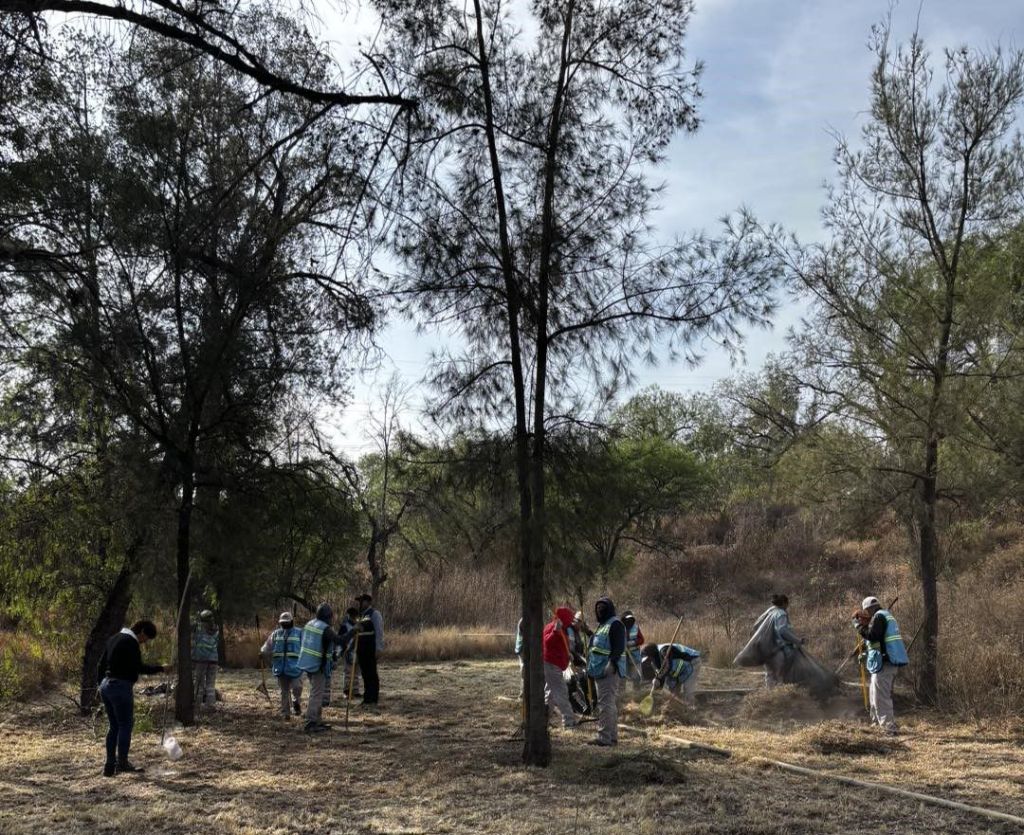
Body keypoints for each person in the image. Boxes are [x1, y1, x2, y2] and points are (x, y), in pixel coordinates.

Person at [96, 619, 171, 777]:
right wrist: (161, 668)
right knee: (125, 725)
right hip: (120, 687)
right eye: (146, 638)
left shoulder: (113, 638)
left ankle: (109, 765)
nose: (144, 642)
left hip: (105, 686)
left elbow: (100, 665)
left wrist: (100, 685)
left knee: (113, 726)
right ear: (142, 631)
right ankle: (122, 763)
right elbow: (139, 668)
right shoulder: (131, 642)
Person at [857, 595, 908, 735]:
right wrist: (866, 655)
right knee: (874, 694)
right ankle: (876, 724)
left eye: (865, 611)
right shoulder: (884, 616)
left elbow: (872, 636)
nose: (865, 614)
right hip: (883, 663)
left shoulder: (879, 617)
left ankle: (888, 728)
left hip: (886, 663)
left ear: (868, 609)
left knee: (882, 696)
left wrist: (859, 627)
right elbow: (879, 643)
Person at [586, 597, 625, 747]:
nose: (599, 611)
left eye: (602, 608)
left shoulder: (615, 624)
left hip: (609, 670)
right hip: (598, 670)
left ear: (609, 609)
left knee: (605, 705)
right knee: (609, 704)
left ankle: (604, 738)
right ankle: (612, 737)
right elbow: (598, 644)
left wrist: (611, 663)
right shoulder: (603, 625)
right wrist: (587, 631)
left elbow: (619, 646)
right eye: (597, 608)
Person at [297, 603, 338, 733]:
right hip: (317, 666)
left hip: (307, 664)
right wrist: (354, 631)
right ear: (327, 617)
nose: (332, 619)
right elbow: (340, 640)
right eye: (330, 617)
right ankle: (311, 722)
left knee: (317, 693)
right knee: (316, 693)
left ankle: (317, 720)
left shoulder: (309, 624)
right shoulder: (325, 629)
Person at [261, 612, 303, 719]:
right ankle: (286, 713)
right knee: (284, 692)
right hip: (280, 668)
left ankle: (296, 701)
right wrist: (262, 652)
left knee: (297, 688)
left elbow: (305, 647)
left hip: (296, 668)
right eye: (282, 623)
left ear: (291, 622)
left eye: (286, 623)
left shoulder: (299, 633)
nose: (284, 625)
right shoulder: (275, 634)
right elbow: (267, 646)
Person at [757, 594, 803, 688]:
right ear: (785, 603)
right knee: (780, 676)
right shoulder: (781, 613)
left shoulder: (770, 612)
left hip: (766, 648)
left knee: (770, 676)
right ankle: (780, 699)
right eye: (787, 604)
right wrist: (797, 640)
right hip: (777, 650)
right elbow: (782, 630)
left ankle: (770, 698)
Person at [542, 607, 578, 729]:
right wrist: (554, 632)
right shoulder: (552, 627)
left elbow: (562, 645)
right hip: (551, 665)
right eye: (570, 618)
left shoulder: (563, 629)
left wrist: (569, 655)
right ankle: (568, 722)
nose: (571, 621)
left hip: (555, 665)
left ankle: (543, 719)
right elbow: (546, 642)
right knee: (562, 692)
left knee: (550, 694)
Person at [355, 593, 384, 705]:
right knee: (365, 674)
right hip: (361, 650)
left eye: (362, 601)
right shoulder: (361, 615)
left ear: (368, 602)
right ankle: (367, 698)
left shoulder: (374, 614)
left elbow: (379, 632)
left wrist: (378, 648)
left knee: (372, 674)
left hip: (370, 649)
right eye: (359, 601)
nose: (360, 603)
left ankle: (373, 698)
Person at [192, 609, 219, 708]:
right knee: (210, 685)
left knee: (199, 684)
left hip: (201, 660)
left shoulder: (199, 628)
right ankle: (210, 705)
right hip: (214, 660)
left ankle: (197, 705)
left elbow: (191, 626)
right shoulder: (216, 628)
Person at [340, 607, 362, 699]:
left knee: (357, 672)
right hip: (347, 650)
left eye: (354, 616)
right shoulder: (344, 626)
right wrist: (343, 650)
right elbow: (340, 638)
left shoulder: (359, 625)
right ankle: (347, 691)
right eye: (351, 616)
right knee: (348, 672)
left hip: (358, 650)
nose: (353, 618)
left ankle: (355, 690)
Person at [621, 610, 645, 683]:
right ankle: (624, 692)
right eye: (627, 619)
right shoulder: (620, 628)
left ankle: (637, 691)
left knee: (637, 676)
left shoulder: (635, 627)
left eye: (630, 619)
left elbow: (642, 640)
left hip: (635, 656)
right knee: (623, 676)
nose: (629, 621)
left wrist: (633, 642)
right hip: (624, 657)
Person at [514, 617, 524, 700]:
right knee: (524, 671)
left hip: (524, 648)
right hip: (522, 649)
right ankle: (522, 694)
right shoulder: (524, 620)